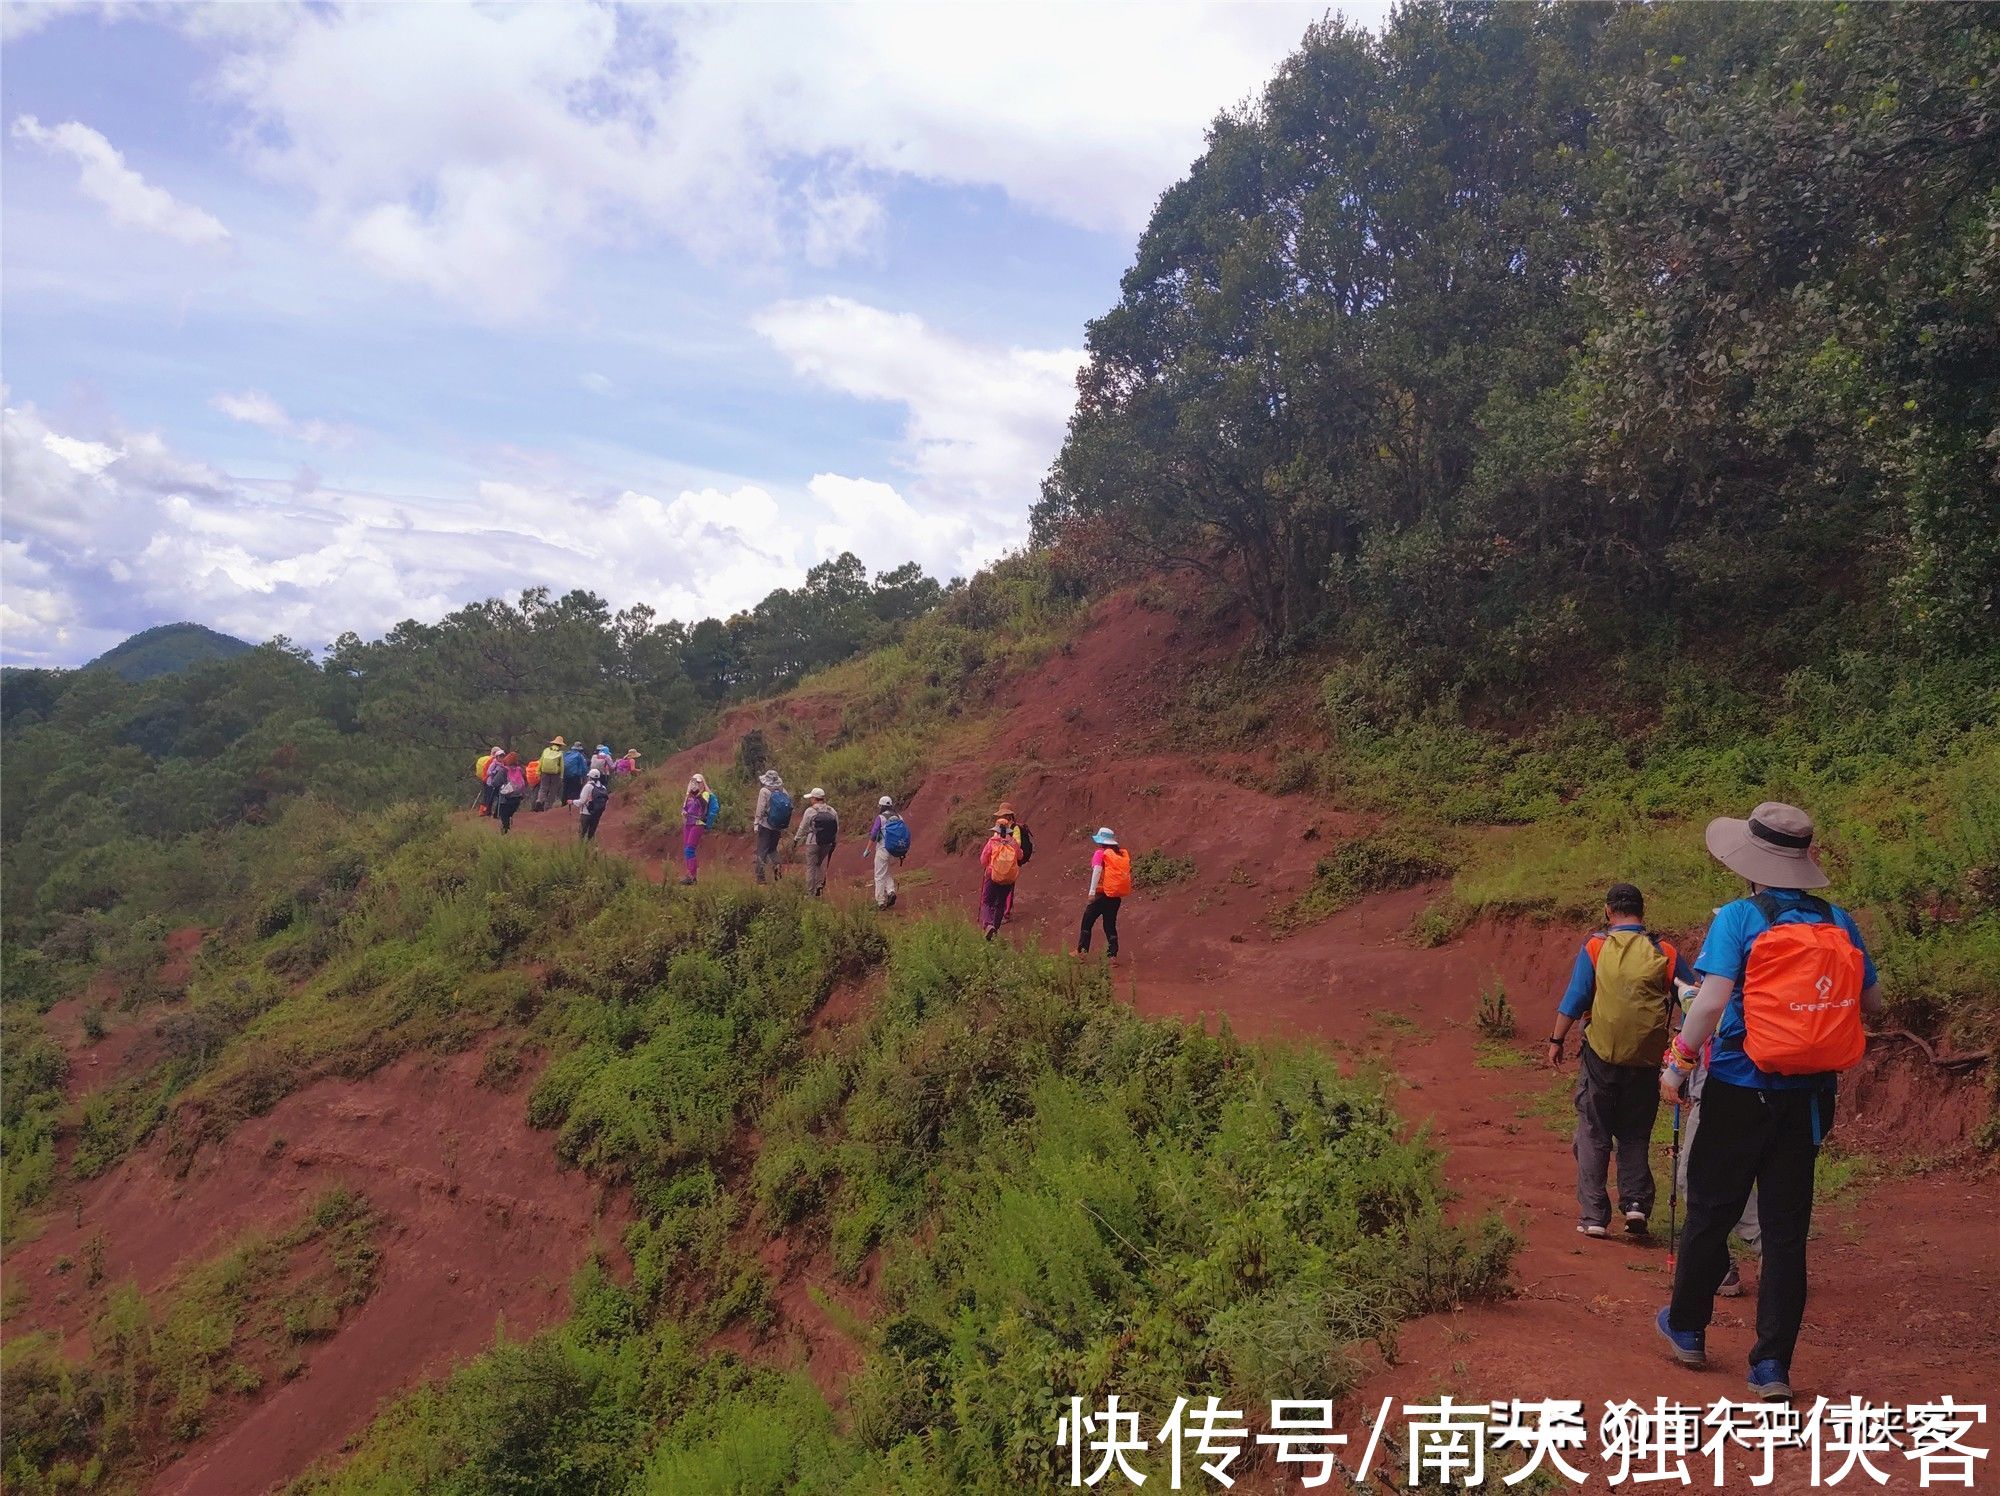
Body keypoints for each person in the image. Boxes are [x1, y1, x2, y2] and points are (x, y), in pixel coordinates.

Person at [1655, 803, 1882, 1402]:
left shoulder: (1737, 918)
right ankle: (1771, 1367)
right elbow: (1874, 1004)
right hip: (1807, 1098)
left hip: (1736, 1087)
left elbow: (1707, 1005)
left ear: (1751, 864)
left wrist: (1679, 1063)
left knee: (1711, 1208)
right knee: (1785, 1233)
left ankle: (1687, 1330)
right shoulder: (1841, 922)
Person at [1545, 883, 1694, 1239]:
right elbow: (1695, 999)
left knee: (1594, 1132)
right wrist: (1681, 1047)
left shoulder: (1596, 946)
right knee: (1634, 1134)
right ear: (1642, 913)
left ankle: (1595, 1215)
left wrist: (1556, 1039)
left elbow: (1576, 996)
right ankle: (1637, 1205)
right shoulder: (1665, 951)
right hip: (1645, 1059)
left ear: (1609, 912)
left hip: (1600, 1056)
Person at [1074, 827, 1130, 958]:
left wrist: (1092, 892)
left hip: (1100, 895)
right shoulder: (1119, 855)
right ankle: (1112, 956)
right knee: (1110, 925)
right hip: (1115, 896)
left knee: (1087, 923)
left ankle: (1082, 953)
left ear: (1101, 841)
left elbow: (1097, 871)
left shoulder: (1100, 853)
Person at [977, 817, 1022, 939]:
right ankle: (995, 929)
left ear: (996, 829)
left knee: (986, 901)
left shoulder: (992, 841)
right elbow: (1020, 856)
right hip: (1008, 878)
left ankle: (988, 925)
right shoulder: (1013, 842)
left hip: (992, 875)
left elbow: (983, 860)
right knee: (1000, 903)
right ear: (1008, 830)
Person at [993, 802, 1035, 921]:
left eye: (1004, 815)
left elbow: (1018, 844)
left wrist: (1004, 842)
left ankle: (1005, 914)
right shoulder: (1000, 827)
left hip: (1011, 862)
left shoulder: (1014, 828)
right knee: (998, 885)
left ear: (1009, 816)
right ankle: (999, 911)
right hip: (1000, 861)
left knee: (1008, 887)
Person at [793, 788, 838, 897]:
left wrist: (796, 839)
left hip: (812, 842)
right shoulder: (832, 811)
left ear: (814, 799)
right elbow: (836, 828)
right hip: (827, 843)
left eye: (811, 798)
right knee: (819, 864)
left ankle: (810, 894)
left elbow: (803, 827)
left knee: (811, 867)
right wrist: (834, 842)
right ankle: (819, 886)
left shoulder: (810, 811)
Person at [865, 795, 907, 910]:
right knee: (887, 871)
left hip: (883, 851)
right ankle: (891, 891)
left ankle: (880, 901)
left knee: (879, 876)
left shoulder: (881, 818)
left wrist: (868, 849)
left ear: (881, 806)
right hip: (896, 852)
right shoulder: (899, 817)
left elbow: (873, 834)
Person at [753, 769, 790, 883]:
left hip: (765, 825)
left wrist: (756, 823)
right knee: (773, 850)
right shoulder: (783, 791)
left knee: (762, 851)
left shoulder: (764, 791)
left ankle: (760, 879)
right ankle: (778, 875)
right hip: (778, 826)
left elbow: (760, 808)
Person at [680, 773, 714, 885]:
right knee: (686, 850)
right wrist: (684, 812)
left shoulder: (705, 794)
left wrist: (697, 794)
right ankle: (689, 874)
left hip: (698, 823)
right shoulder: (688, 795)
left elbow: (704, 805)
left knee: (690, 849)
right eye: (694, 782)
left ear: (702, 783)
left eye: (698, 782)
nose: (695, 784)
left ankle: (692, 876)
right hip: (688, 823)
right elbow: (685, 808)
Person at [494, 751, 528, 833]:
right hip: (518, 797)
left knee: (504, 815)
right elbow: (525, 782)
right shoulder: (520, 770)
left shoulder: (504, 770)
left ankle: (505, 833)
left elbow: (495, 782)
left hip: (506, 798)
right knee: (510, 814)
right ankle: (509, 830)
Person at [576, 767, 609, 842]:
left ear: (590, 777)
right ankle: (591, 848)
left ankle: (581, 849)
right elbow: (606, 801)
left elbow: (582, 801)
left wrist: (573, 802)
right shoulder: (603, 788)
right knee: (591, 834)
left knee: (582, 833)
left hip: (586, 813)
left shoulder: (588, 786)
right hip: (597, 814)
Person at [535, 737, 566, 812]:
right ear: (560, 745)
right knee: (553, 790)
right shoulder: (560, 753)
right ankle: (547, 807)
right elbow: (562, 765)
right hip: (555, 774)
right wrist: (561, 776)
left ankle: (539, 800)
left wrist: (538, 771)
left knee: (543, 788)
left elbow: (541, 761)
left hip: (544, 772)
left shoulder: (546, 750)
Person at [479, 745, 506, 818]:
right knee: (489, 798)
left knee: (493, 797)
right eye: (500, 756)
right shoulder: (492, 762)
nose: (502, 758)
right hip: (490, 782)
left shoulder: (502, 764)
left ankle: (491, 812)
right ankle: (486, 812)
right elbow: (488, 772)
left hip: (496, 783)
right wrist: (495, 772)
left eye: (502, 756)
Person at [562, 740, 589, 807]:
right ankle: (572, 805)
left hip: (565, 775)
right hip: (575, 776)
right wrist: (584, 776)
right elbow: (584, 768)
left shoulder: (566, 754)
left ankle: (563, 804)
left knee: (565, 789)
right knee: (575, 790)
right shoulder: (580, 756)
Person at [474, 747, 499, 815]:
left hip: (484, 779)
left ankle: (483, 811)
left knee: (486, 796)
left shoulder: (488, 759)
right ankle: (486, 811)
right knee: (489, 796)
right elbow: (489, 771)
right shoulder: (492, 760)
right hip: (489, 780)